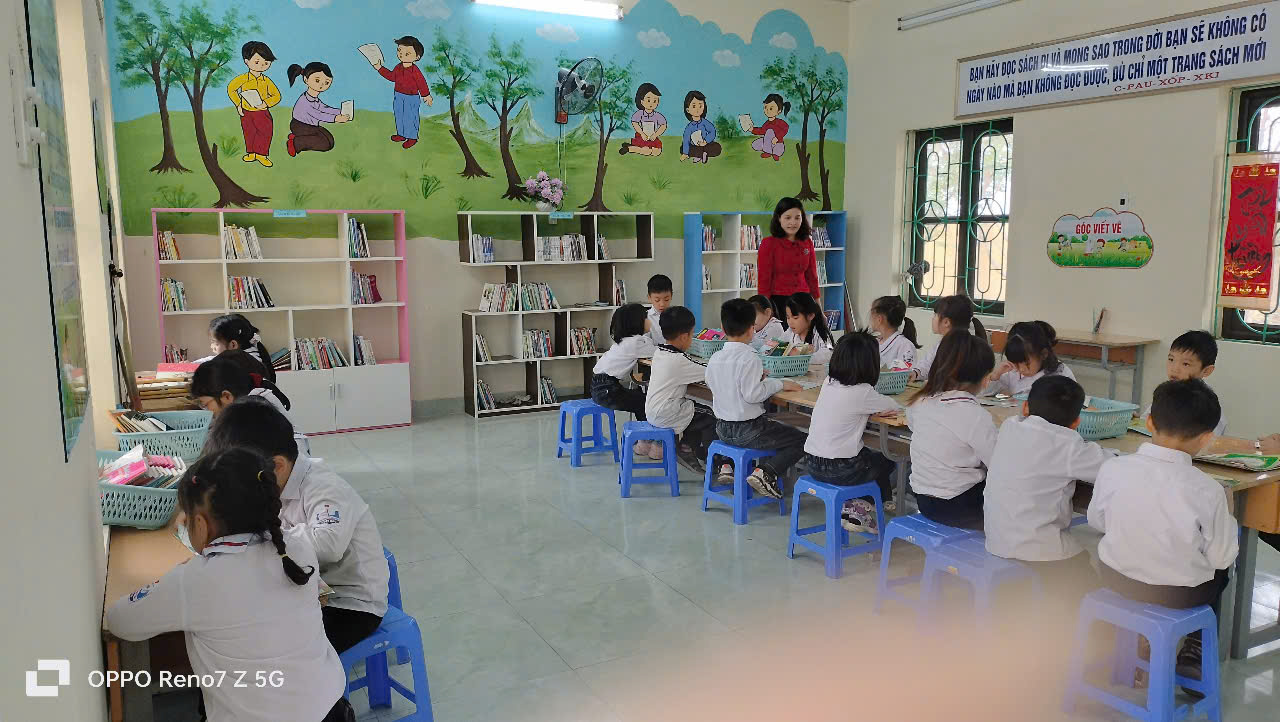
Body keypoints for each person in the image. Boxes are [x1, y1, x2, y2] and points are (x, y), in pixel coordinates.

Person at [105, 448, 351, 722]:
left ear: (200, 524)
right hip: (331, 709)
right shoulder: (296, 548)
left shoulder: (196, 580)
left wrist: (178, 576)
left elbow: (119, 621)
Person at [202, 398, 388, 654]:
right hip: (309, 588)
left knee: (268, 648)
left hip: (350, 605)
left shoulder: (323, 486)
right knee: (237, 623)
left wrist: (263, 541)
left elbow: (328, 545)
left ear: (277, 465)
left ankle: (315, 681)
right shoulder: (270, 481)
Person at [1089, 379, 1237, 689]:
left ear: (1149, 421)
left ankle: (1136, 642)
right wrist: (1229, 516)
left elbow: (1097, 522)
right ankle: (1194, 654)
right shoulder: (1208, 489)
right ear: (1206, 438)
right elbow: (1221, 557)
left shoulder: (1113, 468)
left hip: (1116, 578)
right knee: (1224, 568)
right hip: (1178, 594)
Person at [984, 375, 1116, 602]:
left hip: (996, 539)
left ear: (1025, 407)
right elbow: (1113, 469)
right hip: (1039, 549)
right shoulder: (1069, 445)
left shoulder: (1010, 426)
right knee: (1089, 573)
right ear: (1076, 422)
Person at [800, 331, 901, 534]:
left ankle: (867, 504)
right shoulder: (863, 392)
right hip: (841, 469)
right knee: (887, 459)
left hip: (812, 463)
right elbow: (893, 405)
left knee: (869, 457)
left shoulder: (829, 382)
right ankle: (861, 507)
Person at [706, 298, 804, 499]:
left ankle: (734, 467)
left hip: (722, 429)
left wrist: (755, 380)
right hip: (749, 430)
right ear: (752, 330)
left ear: (723, 328)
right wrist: (779, 384)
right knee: (802, 440)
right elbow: (753, 395)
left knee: (776, 431)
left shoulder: (715, 358)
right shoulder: (750, 357)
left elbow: (713, 383)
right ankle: (766, 472)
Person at [907, 330, 998, 530]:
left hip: (924, 500)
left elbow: (914, 426)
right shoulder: (974, 415)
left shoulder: (920, 402)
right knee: (1011, 490)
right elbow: (997, 463)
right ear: (985, 379)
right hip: (959, 505)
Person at [191, 351, 309, 454]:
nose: (206, 410)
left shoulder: (254, 410)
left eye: (205, 404)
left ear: (226, 396)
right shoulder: (246, 399)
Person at [646, 306, 717, 472]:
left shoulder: (660, 353)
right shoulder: (679, 360)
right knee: (711, 416)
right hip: (667, 412)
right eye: (692, 335)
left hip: (653, 410)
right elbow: (710, 371)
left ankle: (688, 446)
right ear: (685, 336)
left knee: (698, 410)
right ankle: (714, 461)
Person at [591, 304, 656, 453]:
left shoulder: (626, 341)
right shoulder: (635, 343)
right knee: (645, 402)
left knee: (640, 398)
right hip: (608, 389)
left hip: (599, 386)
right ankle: (647, 440)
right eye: (646, 318)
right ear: (637, 322)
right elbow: (658, 352)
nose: (650, 321)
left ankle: (645, 439)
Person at [758, 197, 819, 320]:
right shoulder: (768, 243)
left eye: (797, 218)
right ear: (779, 218)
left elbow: (812, 277)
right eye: (788, 218)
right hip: (778, 302)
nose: (793, 222)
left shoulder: (807, 242)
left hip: (804, 300)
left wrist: (818, 309)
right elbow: (764, 280)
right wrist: (765, 311)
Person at [371, 35, 433, 150]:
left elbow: (422, 83)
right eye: (399, 50)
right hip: (398, 95)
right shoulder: (398, 67)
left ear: (417, 57)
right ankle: (401, 134)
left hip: (411, 97)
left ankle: (412, 137)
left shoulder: (415, 71)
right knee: (399, 115)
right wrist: (380, 68)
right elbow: (391, 76)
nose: (401, 54)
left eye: (407, 53)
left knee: (411, 117)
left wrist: (426, 95)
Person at [983, 320, 1075, 396]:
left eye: (1027, 363)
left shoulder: (1061, 375)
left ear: (1043, 354)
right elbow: (984, 393)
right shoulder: (1012, 371)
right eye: (1016, 363)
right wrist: (996, 375)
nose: (1021, 369)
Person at [227, 41, 281, 167]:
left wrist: (265, 104)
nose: (262, 65)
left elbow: (277, 96)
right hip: (246, 112)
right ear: (247, 61)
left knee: (265, 132)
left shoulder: (266, 81)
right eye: (257, 62)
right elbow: (231, 89)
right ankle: (251, 153)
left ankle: (261, 154)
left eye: (266, 63)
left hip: (262, 112)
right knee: (249, 132)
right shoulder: (243, 79)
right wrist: (238, 104)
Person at [912, 294, 987, 382]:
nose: (932, 319)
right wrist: (916, 373)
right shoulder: (941, 344)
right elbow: (927, 365)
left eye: (935, 315)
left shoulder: (964, 348)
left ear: (946, 322)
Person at [286, 62, 350, 156]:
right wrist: (335, 118)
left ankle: (297, 137)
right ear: (306, 79)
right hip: (300, 125)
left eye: (327, 82)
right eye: (317, 80)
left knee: (330, 140)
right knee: (325, 144)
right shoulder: (304, 101)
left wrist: (340, 112)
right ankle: (295, 143)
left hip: (311, 126)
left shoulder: (314, 99)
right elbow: (318, 115)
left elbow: (324, 108)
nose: (321, 85)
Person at [204, 313, 274, 380]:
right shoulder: (248, 352)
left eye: (215, 343)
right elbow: (212, 359)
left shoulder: (243, 365)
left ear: (233, 345)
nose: (212, 346)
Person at [779, 292, 834, 365]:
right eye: (788, 317)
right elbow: (779, 344)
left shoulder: (821, 333)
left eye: (795, 318)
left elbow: (829, 353)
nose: (790, 322)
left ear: (810, 316)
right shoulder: (790, 331)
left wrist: (803, 357)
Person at [869, 295, 920, 367]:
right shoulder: (874, 342)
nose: (870, 318)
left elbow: (906, 372)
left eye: (872, 314)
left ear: (879, 319)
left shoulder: (905, 345)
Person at [619, 82, 666, 156]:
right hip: (642, 136)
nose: (651, 103)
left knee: (657, 152)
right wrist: (642, 133)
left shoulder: (657, 116)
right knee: (646, 151)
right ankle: (629, 149)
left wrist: (656, 134)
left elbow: (663, 125)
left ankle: (631, 147)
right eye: (648, 100)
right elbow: (634, 122)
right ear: (642, 101)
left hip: (652, 137)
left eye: (655, 101)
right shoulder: (640, 114)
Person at [679, 89, 721, 164]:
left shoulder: (705, 123)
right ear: (688, 110)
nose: (697, 109)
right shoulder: (689, 127)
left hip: (705, 144)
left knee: (717, 147)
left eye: (700, 106)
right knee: (682, 148)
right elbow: (686, 139)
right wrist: (685, 153)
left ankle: (700, 154)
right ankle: (701, 154)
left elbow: (712, 131)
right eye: (694, 106)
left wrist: (705, 141)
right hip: (694, 146)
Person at [750, 93, 790, 161]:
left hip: (778, 145)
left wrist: (777, 138)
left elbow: (785, 128)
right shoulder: (767, 123)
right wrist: (752, 129)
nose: (767, 110)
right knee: (755, 144)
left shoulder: (779, 122)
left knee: (769, 131)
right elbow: (762, 130)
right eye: (765, 107)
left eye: (771, 108)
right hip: (768, 144)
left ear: (779, 111)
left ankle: (769, 152)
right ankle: (769, 150)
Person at [646, 274, 674, 346]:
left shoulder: (676, 315)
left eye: (666, 299)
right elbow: (645, 346)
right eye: (657, 300)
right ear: (649, 297)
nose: (662, 304)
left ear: (671, 295)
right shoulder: (645, 318)